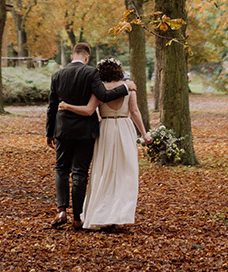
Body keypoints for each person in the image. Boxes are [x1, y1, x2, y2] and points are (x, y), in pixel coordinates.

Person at [58, 58, 152, 231]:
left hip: (106, 129)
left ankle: (103, 215)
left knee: (104, 172)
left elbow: (88, 111)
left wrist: (66, 106)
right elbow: (134, 112)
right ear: (119, 71)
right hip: (124, 128)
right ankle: (120, 217)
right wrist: (144, 133)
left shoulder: (98, 89)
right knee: (125, 173)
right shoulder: (129, 88)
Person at [45, 42, 131, 230]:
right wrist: (125, 88)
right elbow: (104, 96)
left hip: (63, 130)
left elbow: (52, 106)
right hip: (85, 131)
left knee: (61, 168)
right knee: (80, 171)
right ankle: (77, 217)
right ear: (87, 57)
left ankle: (61, 210)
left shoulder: (57, 75)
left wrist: (49, 132)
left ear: (71, 56)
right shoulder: (91, 73)